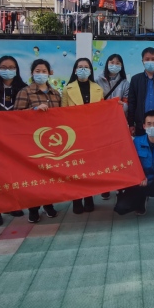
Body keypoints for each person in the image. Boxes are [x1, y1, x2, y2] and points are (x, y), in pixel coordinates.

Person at [14, 59, 62, 224]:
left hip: (51, 141)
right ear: (32, 73)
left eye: (44, 71)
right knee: (33, 175)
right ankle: (33, 208)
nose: (41, 74)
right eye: (37, 71)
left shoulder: (55, 94)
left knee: (49, 174)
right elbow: (15, 116)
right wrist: (33, 110)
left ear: (49, 73)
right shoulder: (25, 92)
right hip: (31, 141)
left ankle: (48, 204)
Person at [0, 56, 28, 226]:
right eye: (3, 67)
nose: (7, 70)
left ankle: (12, 204)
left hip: (16, 138)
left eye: (11, 67)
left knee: (13, 172)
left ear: (16, 69)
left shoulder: (23, 89)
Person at [115, 111, 154, 227]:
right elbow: (129, 164)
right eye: (149, 124)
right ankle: (141, 202)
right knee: (121, 208)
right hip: (140, 183)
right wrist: (139, 177)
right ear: (144, 126)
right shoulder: (135, 143)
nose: (152, 127)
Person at [62, 58, 104, 214]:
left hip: (92, 134)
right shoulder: (67, 89)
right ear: (75, 70)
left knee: (89, 167)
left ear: (91, 70)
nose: (83, 69)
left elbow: (103, 112)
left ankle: (89, 197)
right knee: (75, 168)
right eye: (80, 67)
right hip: (73, 134)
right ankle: (77, 199)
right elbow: (62, 113)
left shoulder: (98, 89)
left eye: (86, 67)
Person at [96, 53, 130, 200]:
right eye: (112, 62)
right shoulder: (97, 81)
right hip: (102, 125)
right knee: (104, 157)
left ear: (121, 66)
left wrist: (122, 106)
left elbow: (127, 104)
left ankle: (120, 185)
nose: (114, 65)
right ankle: (105, 186)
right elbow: (95, 103)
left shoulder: (125, 83)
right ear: (107, 63)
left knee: (118, 156)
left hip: (118, 124)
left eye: (117, 63)